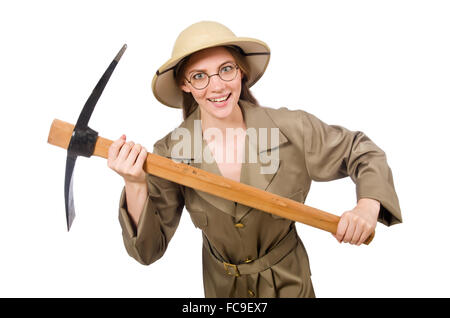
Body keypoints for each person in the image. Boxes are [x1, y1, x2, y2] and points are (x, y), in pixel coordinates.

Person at [107, 21, 402, 298]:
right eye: (199, 76)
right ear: (185, 85)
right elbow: (147, 252)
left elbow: (362, 151)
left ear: (242, 71)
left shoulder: (291, 128)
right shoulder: (172, 153)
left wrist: (367, 206)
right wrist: (134, 183)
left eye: (226, 69)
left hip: (291, 285)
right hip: (221, 291)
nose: (217, 86)